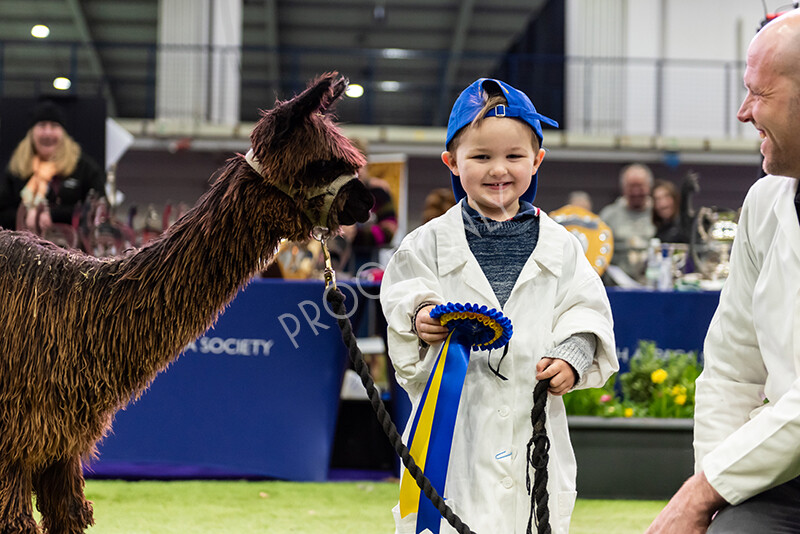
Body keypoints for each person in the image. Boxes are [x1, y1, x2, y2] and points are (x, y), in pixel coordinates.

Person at [380, 78, 618, 534]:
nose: (499, 170)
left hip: (533, 433)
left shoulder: (563, 248)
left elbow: (586, 312)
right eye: (481, 157)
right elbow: (401, 295)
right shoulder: (425, 244)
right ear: (452, 161)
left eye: (514, 157)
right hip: (452, 440)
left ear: (537, 161)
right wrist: (421, 316)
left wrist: (572, 356)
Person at [647, 9, 800, 533]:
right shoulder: (763, 202)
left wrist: (704, 490)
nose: (742, 111)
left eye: (759, 93)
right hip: (788, 469)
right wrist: (716, 498)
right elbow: (733, 366)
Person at [0, 100, 105, 234]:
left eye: (54, 126)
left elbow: (97, 209)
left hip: (73, 248)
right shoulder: (17, 168)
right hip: (21, 248)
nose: (47, 133)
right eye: (42, 126)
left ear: (63, 133)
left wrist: (53, 215)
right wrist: (25, 215)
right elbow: (2, 212)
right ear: (32, 133)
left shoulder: (84, 168)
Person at [598, 163, 656, 281]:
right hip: (616, 286)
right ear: (623, 188)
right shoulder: (609, 215)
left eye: (640, 186)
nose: (635, 192)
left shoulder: (659, 213)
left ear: (649, 186)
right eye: (631, 186)